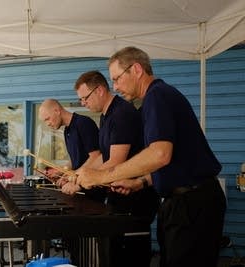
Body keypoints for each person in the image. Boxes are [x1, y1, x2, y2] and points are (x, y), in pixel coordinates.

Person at [76, 46, 226, 267]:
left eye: (117, 79)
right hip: (183, 201)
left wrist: (101, 177)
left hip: (193, 203)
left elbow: (159, 154)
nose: (115, 86)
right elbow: (177, 159)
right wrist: (140, 182)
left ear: (136, 69)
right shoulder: (155, 99)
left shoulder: (157, 96)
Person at [74, 70, 160, 267]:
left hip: (136, 198)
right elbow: (103, 155)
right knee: (113, 255)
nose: (83, 103)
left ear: (100, 90)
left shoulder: (121, 114)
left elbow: (115, 162)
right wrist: (77, 174)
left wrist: (85, 181)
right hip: (120, 196)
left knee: (130, 258)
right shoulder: (106, 116)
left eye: (85, 98)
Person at [38, 99, 101, 195]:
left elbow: (96, 156)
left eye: (47, 119)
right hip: (77, 188)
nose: (48, 124)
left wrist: (74, 177)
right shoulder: (67, 130)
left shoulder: (83, 123)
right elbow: (75, 159)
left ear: (57, 111)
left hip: (92, 188)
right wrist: (61, 173)